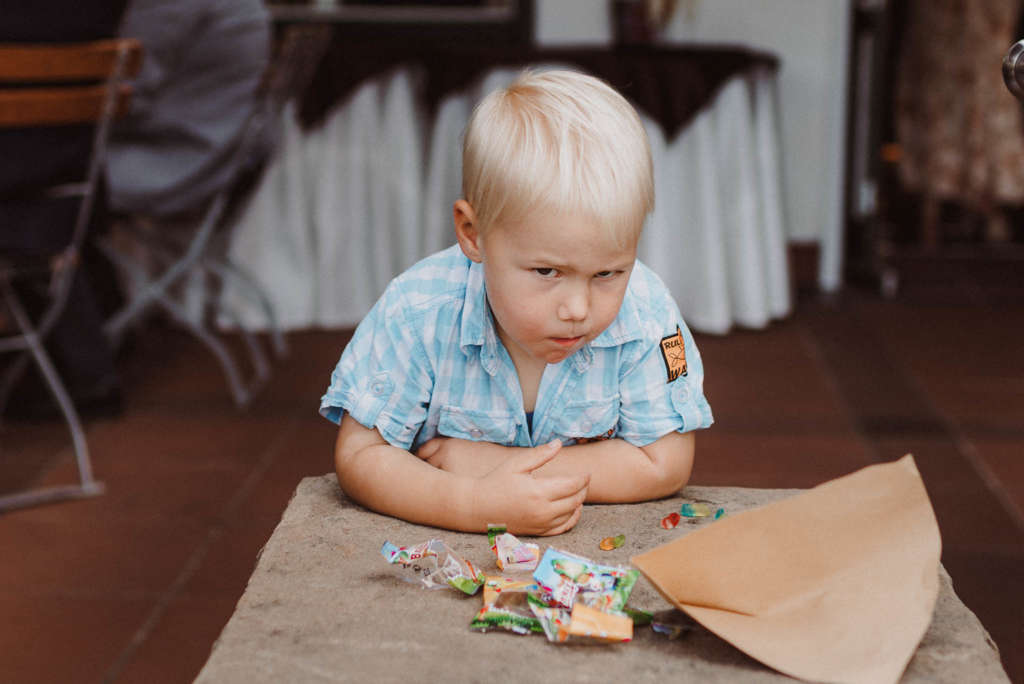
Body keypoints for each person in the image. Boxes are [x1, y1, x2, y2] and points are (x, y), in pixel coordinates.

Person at [320, 70, 713, 536]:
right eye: (547, 272)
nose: (577, 308)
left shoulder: (649, 315)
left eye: (607, 273)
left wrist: (494, 465)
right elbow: (360, 455)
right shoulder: (417, 311)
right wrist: (471, 502)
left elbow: (664, 462)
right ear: (473, 234)